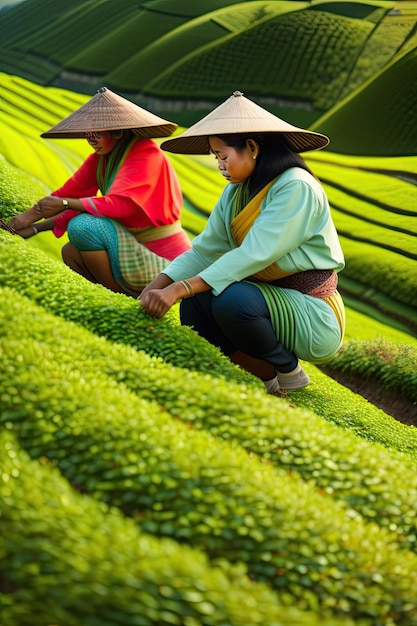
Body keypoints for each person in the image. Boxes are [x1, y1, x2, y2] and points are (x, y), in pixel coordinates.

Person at [139, 91, 346, 394]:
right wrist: (156, 287)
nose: (220, 165)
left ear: (251, 147)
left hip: (312, 312)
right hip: (265, 295)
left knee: (231, 299)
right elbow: (206, 251)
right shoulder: (236, 193)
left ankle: (289, 369)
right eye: (216, 158)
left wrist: (180, 288)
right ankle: (267, 379)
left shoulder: (296, 188)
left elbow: (255, 253)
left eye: (223, 156)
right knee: (196, 304)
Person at [8, 87, 192, 296]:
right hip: (130, 247)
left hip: (164, 262)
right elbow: (68, 194)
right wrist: (32, 224)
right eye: (88, 133)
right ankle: (117, 296)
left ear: (117, 131)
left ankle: (121, 299)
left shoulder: (146, 155)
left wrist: (65, 204)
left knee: (83, 226)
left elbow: (119, 205)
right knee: (71, 252)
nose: (90, 139)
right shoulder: (102, 159)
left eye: (96, 132)